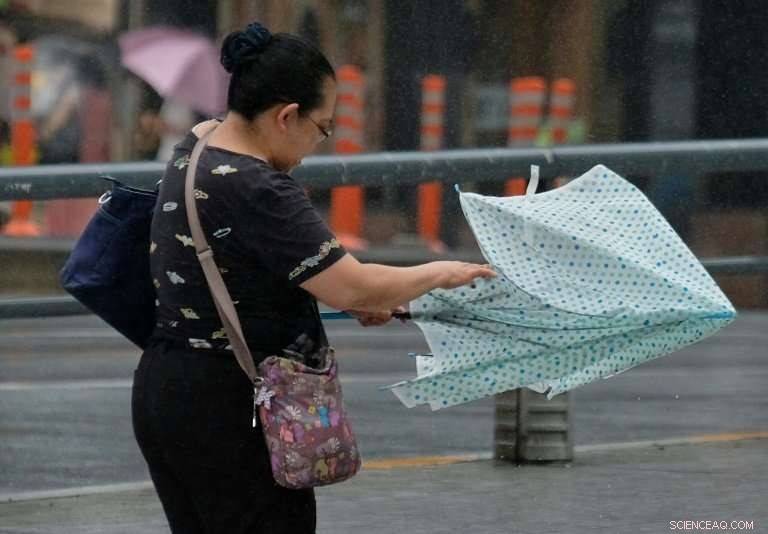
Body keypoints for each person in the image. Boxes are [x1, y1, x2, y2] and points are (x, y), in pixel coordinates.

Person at [131, 21, 495, 534]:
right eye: (321, 128)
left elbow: (252, 266)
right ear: (286, 116)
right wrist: (440, 272)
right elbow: (354, 284)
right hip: (232, 405)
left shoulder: (198, 147)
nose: (317, 144)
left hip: (165, 388)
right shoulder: (260, 187)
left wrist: (348, 298)